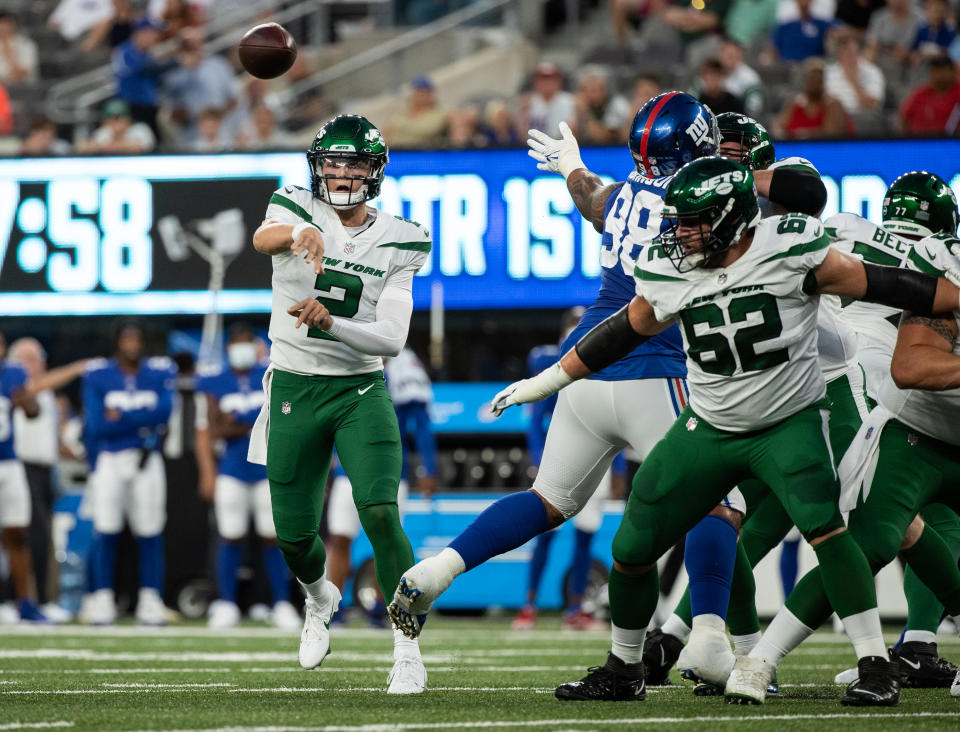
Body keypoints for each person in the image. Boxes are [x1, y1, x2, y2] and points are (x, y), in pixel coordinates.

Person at [487, 155, 960, 706]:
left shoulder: (789, 246)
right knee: (634, 542)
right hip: (708, 424)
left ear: (734, 217)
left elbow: (889, 283)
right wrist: (545, 381)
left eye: (694, 220)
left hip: (788, 420)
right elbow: (623, 330)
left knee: (828, 531)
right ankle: (624, 666)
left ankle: (874, 664)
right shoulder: (673, 265)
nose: (680, 232)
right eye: (678, 220)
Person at [389, 92, 734, 653]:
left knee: (547, 499)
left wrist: (573, 166)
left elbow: (593, 200)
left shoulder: (624, 195)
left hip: (585, 366)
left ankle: (441, 569)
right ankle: (711, 641)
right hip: (656, 367)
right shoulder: (701, 206)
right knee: (717, 504)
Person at [738, 201, 960, 703]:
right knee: (868, 541)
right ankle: (759, 657)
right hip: (913, 430)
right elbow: (912, 367)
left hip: (855, 385)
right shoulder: (941, 258)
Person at [247, 114, 431, 694]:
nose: (342, 173)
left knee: (379, 511)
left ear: (374, 172)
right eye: (333, 162)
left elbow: (393, 340)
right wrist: (298, 236)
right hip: (294, 386)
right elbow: (261, 238)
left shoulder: (404, 236)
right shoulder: (294, 204)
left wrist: (333, 325)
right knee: (293, 535)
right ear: (316, 165)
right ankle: (319, 596)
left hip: (359, 388)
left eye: (353, 164)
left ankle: (407, 647)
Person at [824, 171, 960, 687]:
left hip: (818, 373)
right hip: (882, 380)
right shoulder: (939, 252)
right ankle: (912, 644)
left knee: (775, 512)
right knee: (917, 519)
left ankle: (709, 636)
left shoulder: (843, 226)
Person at [511, 307, 623, 631]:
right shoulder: (554, 362)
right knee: (545, 535)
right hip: (561, 459)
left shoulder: (606, 360)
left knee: (585, 537)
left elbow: (615, 419)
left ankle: (575, 609)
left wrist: (615, 471)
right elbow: (536, 419)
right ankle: (529, 605)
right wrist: (538, 459)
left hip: (596, 458)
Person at [197, 324, 299, 630]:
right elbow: (215, 428)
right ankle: (226, 602)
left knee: (273, 536)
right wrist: (253, 422)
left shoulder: (270, 377)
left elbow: (285, 416)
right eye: (236, 343)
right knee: (230, 535)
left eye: (246, 343)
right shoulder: (215, 381)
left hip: (267, 468)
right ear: (228, 347)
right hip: (231, 469)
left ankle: (281, 603)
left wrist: (236, 423)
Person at [81, 320, 175, 626]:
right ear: (117, 342)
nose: (132, 345)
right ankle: (103, 599)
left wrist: (122, 416)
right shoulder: (98, 374)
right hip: (109, 459)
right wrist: (142, 421)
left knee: (150, 532)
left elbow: (165, 412)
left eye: (136, 339)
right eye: (127, 339)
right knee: (106, 530)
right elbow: (97, 423)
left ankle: (150, 599)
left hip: (147, 459)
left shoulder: (159, 371)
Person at [0, 333, 44, 622]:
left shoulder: (14, 373)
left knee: (18, 533)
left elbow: (33, 411)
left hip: (9, 463)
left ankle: (24, 602)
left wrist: (27, 401)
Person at [775, 57, 853, 138]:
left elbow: (832, 135)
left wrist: (802, 134)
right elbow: (778, 129)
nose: (815, 81)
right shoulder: (793, 104)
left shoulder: (833, 104)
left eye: (818, 77)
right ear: (804, 79)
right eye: (812, 77)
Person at [898, 54, 960, 135]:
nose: (939, 75)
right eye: (935, 71)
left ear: (953, 72)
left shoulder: (958, 92)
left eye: (942, 70)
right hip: (919, 142)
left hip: (951, 143)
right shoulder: (920, 94)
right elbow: (904, 119)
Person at [571, 66, 632, 145]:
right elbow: (567, 139)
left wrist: (585, 112)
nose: (589, 94)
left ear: (604, 89)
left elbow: (603, 138)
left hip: (612, 151)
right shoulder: (574, 103)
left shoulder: (617, 104)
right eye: (585, 89)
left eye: (595, 89)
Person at [385, 75, 448, 149]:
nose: (422, 95)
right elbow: (386, 132)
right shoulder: (400, 112)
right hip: (396, 153)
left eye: (426, 91)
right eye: (419, 91)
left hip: (423, 154)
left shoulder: (440, 113)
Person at [76, 99, 156, 154]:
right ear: (105, 121)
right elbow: (82, 147)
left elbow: (138, 147)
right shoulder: (104, 131)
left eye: (120, 117)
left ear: (128, 118)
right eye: (113, 118)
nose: (117, 122)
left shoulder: (140, 129)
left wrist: (109, 146)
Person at [520, 62, 575, 138]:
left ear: (558, 82)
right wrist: (522, 114)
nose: (547, 83)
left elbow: (572, 131)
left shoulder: (569, 101)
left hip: (562, 146)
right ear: (536, 82)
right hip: (534, 146)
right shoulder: (528, 102)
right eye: (542, 80)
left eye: (551, 80)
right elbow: (522, 135)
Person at [770, 0, 835, 64]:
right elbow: (773, 51)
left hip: (813, 69)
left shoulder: (823, 25)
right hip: (788, 69)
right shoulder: (784, 27)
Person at [0, 12, 38, 84]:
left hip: (22, 90)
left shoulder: (26, 45)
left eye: (6, 24)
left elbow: (21, 75)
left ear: (13, 25)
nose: (3, 28)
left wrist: (9, 55)